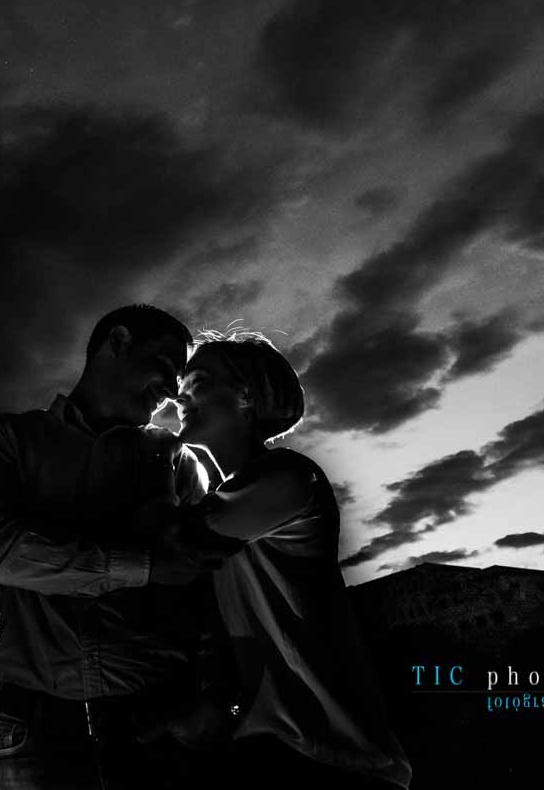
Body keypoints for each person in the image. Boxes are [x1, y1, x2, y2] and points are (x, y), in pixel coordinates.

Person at [0, 304, 236, 790]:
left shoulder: (176, 458)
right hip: (39, 729)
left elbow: (213, 584)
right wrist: (145, 565)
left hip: (161, 714)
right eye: (168, 365)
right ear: (118, 341)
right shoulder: (9, 439)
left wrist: (215, 692)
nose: (173, 390)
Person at [135, 328, 412, 789]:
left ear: (243, 397)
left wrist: (153, 458)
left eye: (197, 381)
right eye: (180, 387)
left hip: (337, 755)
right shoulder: (226, 496)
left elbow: (167, 544)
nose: (179, 397)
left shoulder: (286, 477)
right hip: (272, 748)